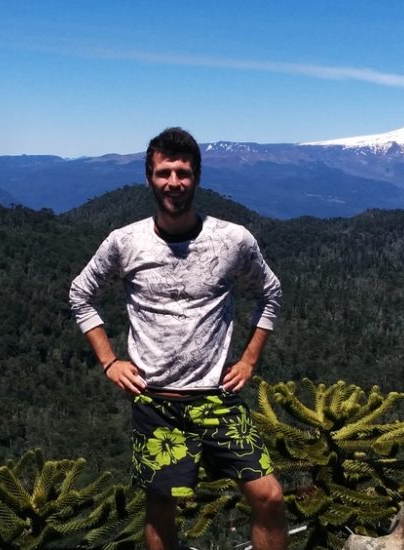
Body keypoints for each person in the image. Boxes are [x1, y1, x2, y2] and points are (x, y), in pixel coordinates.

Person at [69, 127, 287, 550]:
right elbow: (80, 294)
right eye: (164, 172)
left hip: (215, 396)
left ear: (197, 177)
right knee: (162, 513)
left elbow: (271, 294)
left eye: (182, 173)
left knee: (269, 496)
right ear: (149, 177)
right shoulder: (125, 243)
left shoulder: (232, 241)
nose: (174, 183)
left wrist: (249, 360)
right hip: (155, 402)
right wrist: (110, 361)